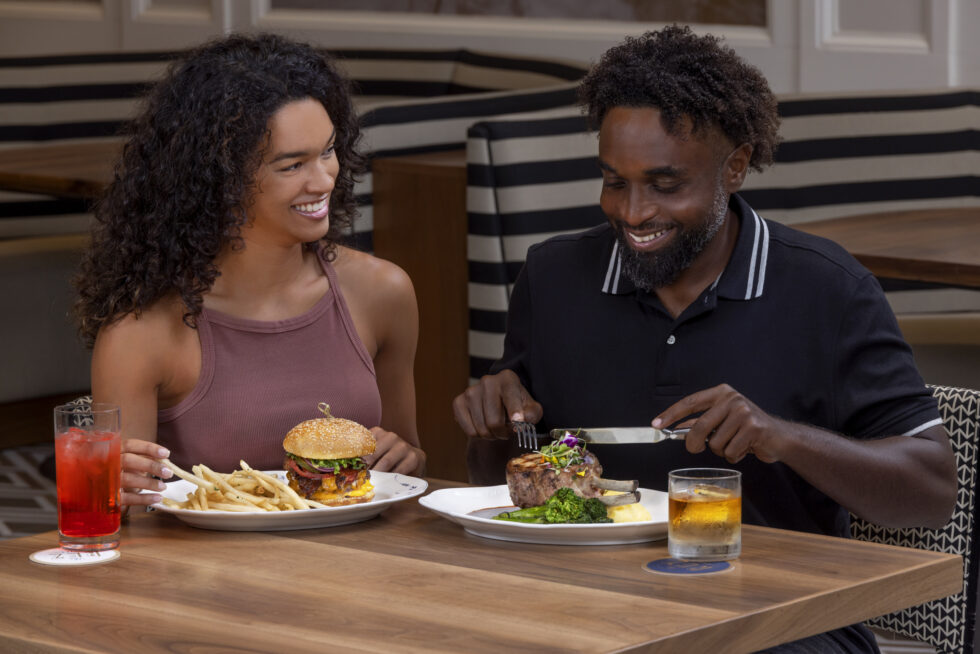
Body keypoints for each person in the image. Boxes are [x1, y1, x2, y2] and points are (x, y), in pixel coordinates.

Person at [452, 26, 956, 654]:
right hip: (582, 608)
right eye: (614, 181)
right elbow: (503, 484)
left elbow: (933, 494)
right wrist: (495, 431)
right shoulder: (553, 278)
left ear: (735, 167)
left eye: (666, 185)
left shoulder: (829, 290)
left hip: (780, 622)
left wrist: (781, 436)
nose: (633, 213)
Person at [74, 33, 425, 508]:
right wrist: (113, 491)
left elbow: (409, 476)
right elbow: (118, 517)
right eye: (291, 165)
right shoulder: (142, 333)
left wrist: (405, 457)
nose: (323, 179)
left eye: (327, 151)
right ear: (217, 180)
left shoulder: (383, 292)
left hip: (362, 567)